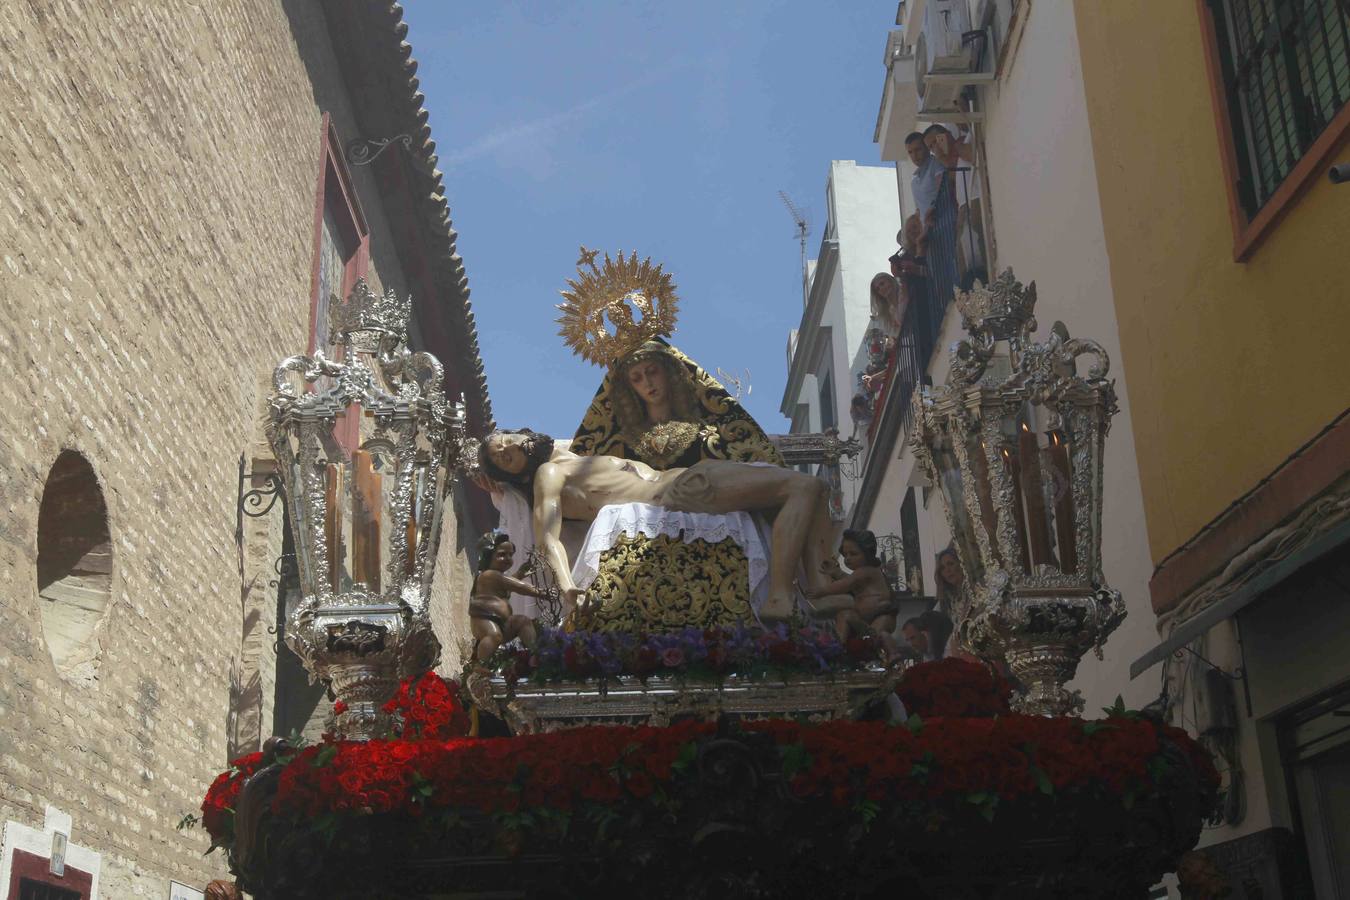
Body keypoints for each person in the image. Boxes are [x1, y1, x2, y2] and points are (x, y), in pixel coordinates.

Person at [477, 429, 837, 623]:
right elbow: (547, 539)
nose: (508, 446)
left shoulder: (569, 454)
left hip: (686, 478)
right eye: (502, 457)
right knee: (802, 486)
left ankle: (819, 587)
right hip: (678, 494)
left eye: (506, 439)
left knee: (814, 488)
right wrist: (568, 586)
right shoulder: (548, 473)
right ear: (516, 474)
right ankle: (779, 597)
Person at [570, 338, 783, 471]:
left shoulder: (708, 436)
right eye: (637, 378)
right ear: (629, 389)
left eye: (652, 372)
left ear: (669, 374)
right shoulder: (620, 445)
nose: (648, 382)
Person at [804, 529, 900, 658]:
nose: (848, 558)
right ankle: (838, 647)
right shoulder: (860, 575)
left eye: (853, 554)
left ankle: (893, 654)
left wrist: (822, 591)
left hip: (882, 616)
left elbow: (846, 584)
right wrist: (836, 572)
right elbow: (850, 581)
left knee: (876, 638)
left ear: (867, 553)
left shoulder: (868, 571)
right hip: (864, 619)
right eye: (845, 554)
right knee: (844, 615)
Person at [469, 532, 546, 662]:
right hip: (483, 619)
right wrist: (543, 593)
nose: (508, 558)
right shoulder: (489, 575)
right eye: (502, 555)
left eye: (510, 555)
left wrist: (520, 573)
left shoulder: (498, 578)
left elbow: (507, 586)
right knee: (494, 635)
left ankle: (535, 654)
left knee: (523, 621)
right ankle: (479, 666)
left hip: (501, 621)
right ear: (489, 557)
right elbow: (519, 587)